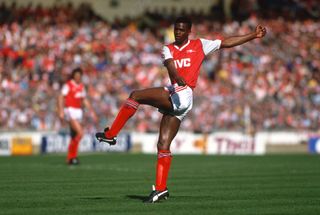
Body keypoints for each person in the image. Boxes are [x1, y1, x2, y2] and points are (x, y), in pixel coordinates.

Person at [96, 16, 266, 203]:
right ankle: (160, 189)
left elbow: (225, 42)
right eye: (176, 29)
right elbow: (170, 66)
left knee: (135, 95)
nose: (178, 32)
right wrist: (176, 76)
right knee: (162, 145)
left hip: (184, 94)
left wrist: (253, 35)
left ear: (189, 31)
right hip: (176, 92)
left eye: (181, 30)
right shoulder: (167, 49)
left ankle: (111, 134)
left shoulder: (200, 45)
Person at [58, 68, 97, 165]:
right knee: (81, 133)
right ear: (73, 76)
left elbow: (84, 100)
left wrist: (92, 112)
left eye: (79, 76)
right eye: (76, 76)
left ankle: (70, 158)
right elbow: (60, 97)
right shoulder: (68, 85)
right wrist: (61, 111)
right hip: (70, 110)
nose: (78, 78)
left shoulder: (81, 86)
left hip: (78, 111)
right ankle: (72, 156)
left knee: (74, 135)